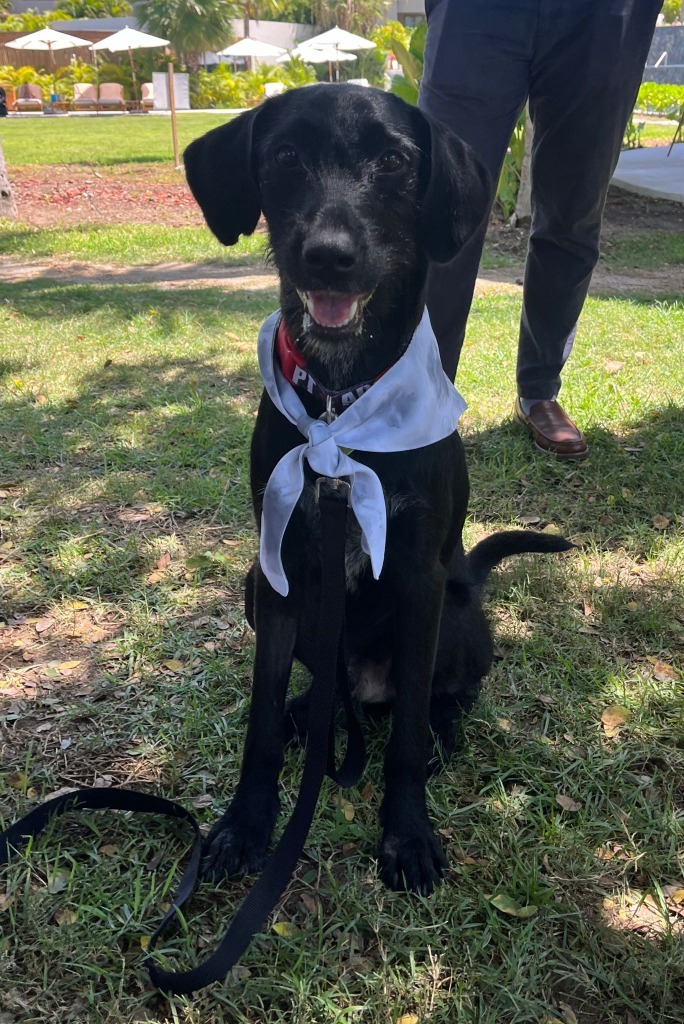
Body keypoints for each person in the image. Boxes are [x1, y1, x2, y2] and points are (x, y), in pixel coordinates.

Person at [419, 0, 662, 459]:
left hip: (606, 14)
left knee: (574, 209)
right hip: (476, 12)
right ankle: (420, 396)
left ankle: (539, 390)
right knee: (443, 199)